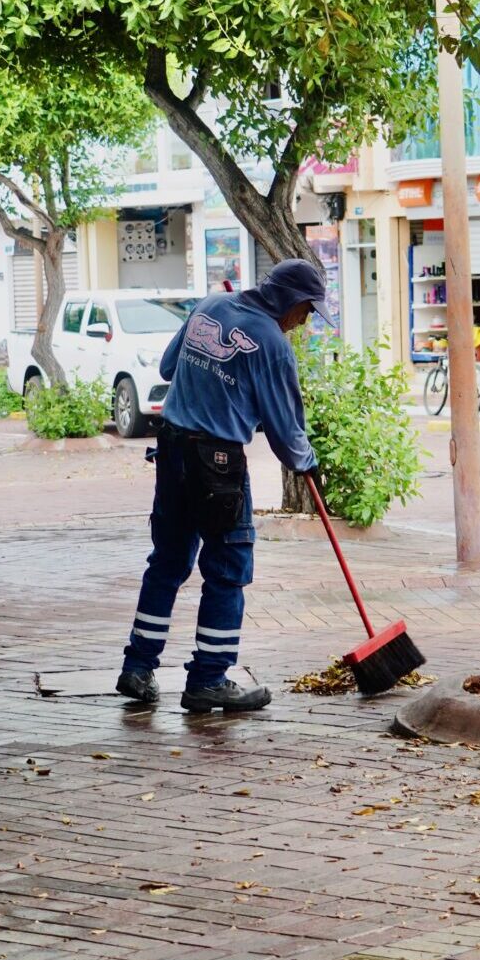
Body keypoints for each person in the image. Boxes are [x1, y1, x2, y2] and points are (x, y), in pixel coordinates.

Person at [117, 259, 328, 714]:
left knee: (168, 561)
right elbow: (286, 429)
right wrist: (307, 463)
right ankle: (209, 679)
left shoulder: (211, 305)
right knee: (228, 568)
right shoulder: (272, 344)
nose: (305, 321)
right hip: (218, 464)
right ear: (290, 301)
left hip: (172, 450)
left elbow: (169, 367)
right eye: (307, 310)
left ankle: (137, 667)